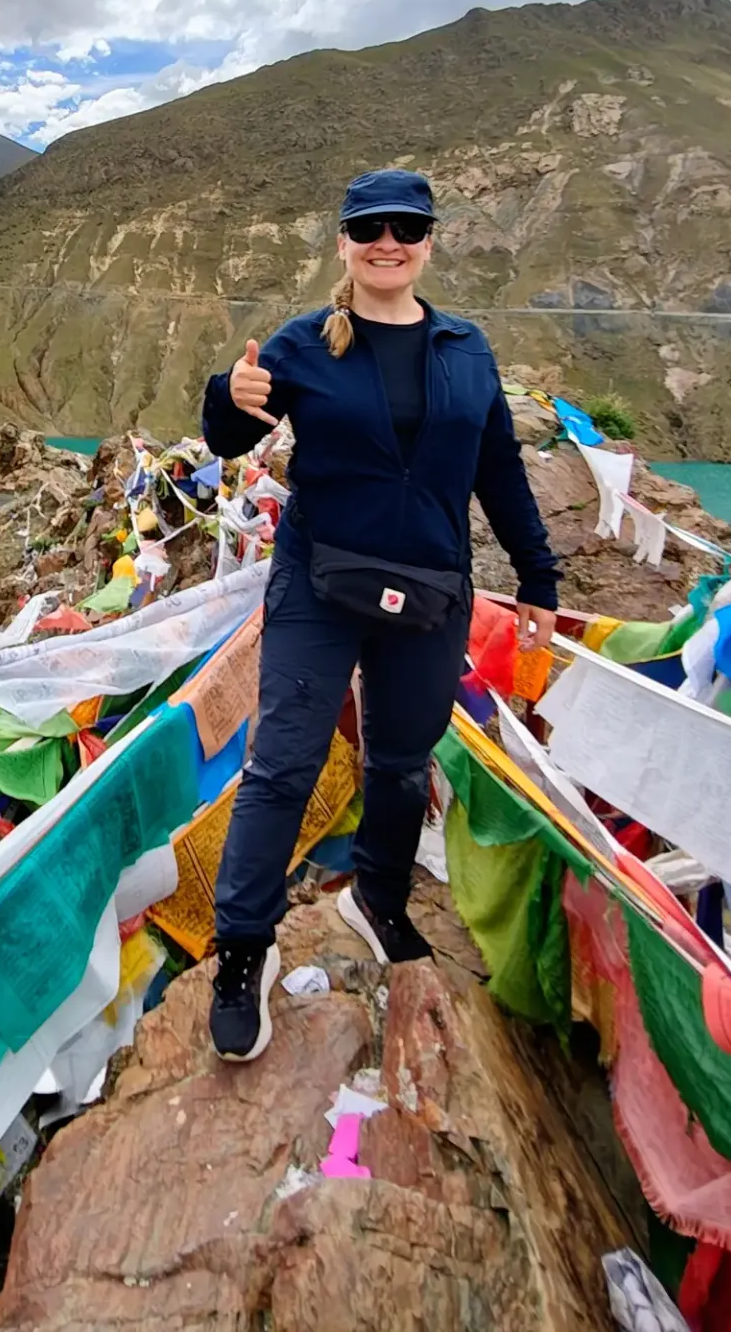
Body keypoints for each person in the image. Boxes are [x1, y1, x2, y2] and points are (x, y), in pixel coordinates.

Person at [199, 168, 560, 1061]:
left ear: (429, 241)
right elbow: (230, 437)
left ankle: (379, 897)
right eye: (370, 228)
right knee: (283, 762)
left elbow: (500, 470)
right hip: (320, 583)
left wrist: (538, 577)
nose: (387, 241)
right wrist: (227, 395)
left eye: (405, 227)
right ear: (344, 244)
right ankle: (243, 949)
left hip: (431, 588)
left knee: (401, 766)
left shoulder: (466, 349)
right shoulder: (303, 344)